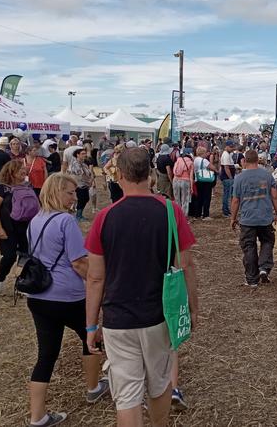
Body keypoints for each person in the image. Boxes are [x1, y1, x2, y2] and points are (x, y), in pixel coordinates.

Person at [84, 147, 198, 427]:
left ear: (119, 174)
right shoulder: (170, 212)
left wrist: (90, 326)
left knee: (127, 396)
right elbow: (186, 266)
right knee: (159, 384)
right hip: (160, 315)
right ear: (149, 174)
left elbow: (96, 278)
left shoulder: (104, 218)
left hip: (117, 318)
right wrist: (192, 309)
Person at [26, 174, 110, 426]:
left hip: (39, 296)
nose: (75, 197)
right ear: (57, 192)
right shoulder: (66, 221)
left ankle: (37, 415)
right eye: (70, 193)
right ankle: (93, 387)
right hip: (68, 296)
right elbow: (78, 262)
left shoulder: (35, 220)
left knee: (46, 355)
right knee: (91, 337)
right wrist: (98, 284)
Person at [230, 149, 277, 287]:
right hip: (265, 217)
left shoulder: (239, 178)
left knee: (249, 247)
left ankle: (252, 279)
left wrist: (233, 218)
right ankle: (264, 268)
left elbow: (235, 200)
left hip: (247, 218)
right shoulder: (267, 175)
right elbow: (274, 196)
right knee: (267, 241)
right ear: (257, 161)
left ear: (244, 161)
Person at [0, 159, 32, 295]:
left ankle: (22, 283)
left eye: (24, 169)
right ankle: (1, 279)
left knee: (25, 256)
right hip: (8, 228)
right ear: (11, 172)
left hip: (26, 227)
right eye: (20, 169)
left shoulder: (28, 186)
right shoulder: (2, 188)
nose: (23, 171)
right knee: (9, 256)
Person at [67, 148, 94, 222]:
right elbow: (80, 175)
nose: (84, 155)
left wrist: (91, 179)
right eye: (82, 154)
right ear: (77, 155)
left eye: (85, 153)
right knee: (82, 199)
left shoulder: (83, 163)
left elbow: (89, 172)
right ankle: (78, 215)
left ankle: (79, 214)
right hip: (78, 185)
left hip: (84, 185)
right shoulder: (75, 164)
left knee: (85, 199)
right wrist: (89, 181)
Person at [193, 146, 217, 220]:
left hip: (198, 179)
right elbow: (212, 167)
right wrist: (217, 171)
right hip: (205, 180)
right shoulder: (204, 160)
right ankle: (206, 215)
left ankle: (198, 214)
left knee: (199, 197)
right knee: (207, 197)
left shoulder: (195, 159)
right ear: (203, 153)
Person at [172, 148, 194, 218]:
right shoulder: (190, 162)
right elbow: (191, 176)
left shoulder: (178, 160)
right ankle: (183, 217)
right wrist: (191, 187)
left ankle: (177, 215)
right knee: (185, 200)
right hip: (185, 181)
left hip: (175, 180)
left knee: (177, 199)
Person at [220, 141, 236, 217]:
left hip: (227, 177)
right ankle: (225, 210)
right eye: (231, 147)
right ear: (226, 146)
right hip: (227, 178)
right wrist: (230, 178)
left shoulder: (227, 154)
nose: (232, 148)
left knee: (227, 194)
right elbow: (226, 168)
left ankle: (226, 210)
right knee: (227, 194)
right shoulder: (226, 155)